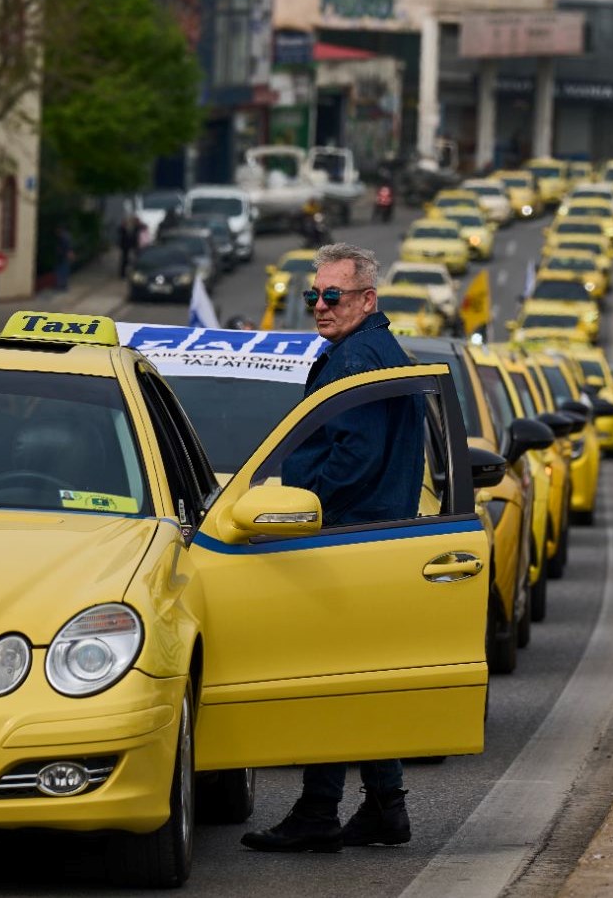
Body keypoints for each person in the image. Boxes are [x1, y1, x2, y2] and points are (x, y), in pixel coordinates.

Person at [241, 242, 422, 854]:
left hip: (345, 539)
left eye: (332, 296)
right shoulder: (375, 350)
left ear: (366, 299)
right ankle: (384, 808)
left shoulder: (354, 361)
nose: (319, 306)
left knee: (328, 680)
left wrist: (298, 501)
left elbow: (354, 457)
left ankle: (321, 811)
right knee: (358, 680)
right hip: (375, 538)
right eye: (312, 295)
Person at [55, 226, 74, 291]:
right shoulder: (66, 236)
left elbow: (67, 247)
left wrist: (69, 253)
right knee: (64, 271)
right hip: (63, 257)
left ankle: (61, 286)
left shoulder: (64, 237)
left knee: (61, 271)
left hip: (62, 257)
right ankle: (63, 286)